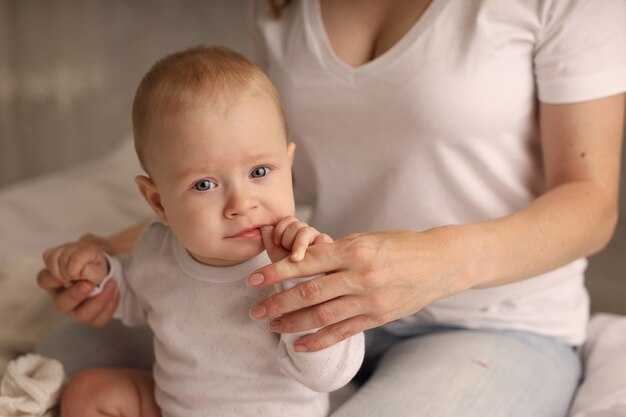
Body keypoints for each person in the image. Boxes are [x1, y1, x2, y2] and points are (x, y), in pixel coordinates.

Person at [37, 0, 626, 416]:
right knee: (65, 365)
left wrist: (436, 263)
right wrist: (105, 256)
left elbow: (592, 203)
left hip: (487, 318)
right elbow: (252, 173)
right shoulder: (282, 7)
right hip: (317, 288)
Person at [41, 46, 364, 417]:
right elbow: (136, 297)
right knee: (89, 390)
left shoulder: (305, 260)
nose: (241, 204)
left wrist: (299, 284)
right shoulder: (156, 249)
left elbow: (329, 375)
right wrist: (100, 275)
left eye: (259, 172)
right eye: (204, 185)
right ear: (158, 202)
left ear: (288, 168)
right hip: (175, 407)